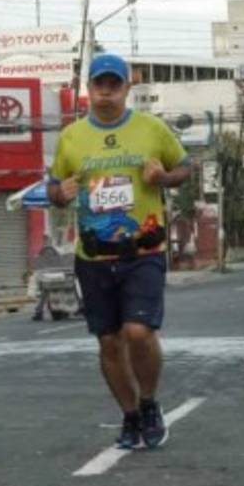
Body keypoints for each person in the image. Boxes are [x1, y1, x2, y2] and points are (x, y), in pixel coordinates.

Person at [47, 53, 190, 450]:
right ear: (89, 90)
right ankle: (129, 416)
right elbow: (53, 188)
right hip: (94, 256)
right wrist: (61, 193)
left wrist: (164, 177)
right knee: (109, 342)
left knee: (139, 331)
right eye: (99, 85)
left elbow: (184, 167)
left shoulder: (152, 129)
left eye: (114, 85)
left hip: (143, 249)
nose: (106, 93)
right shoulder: (72, 137)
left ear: (127, 88)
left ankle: (148, 403)